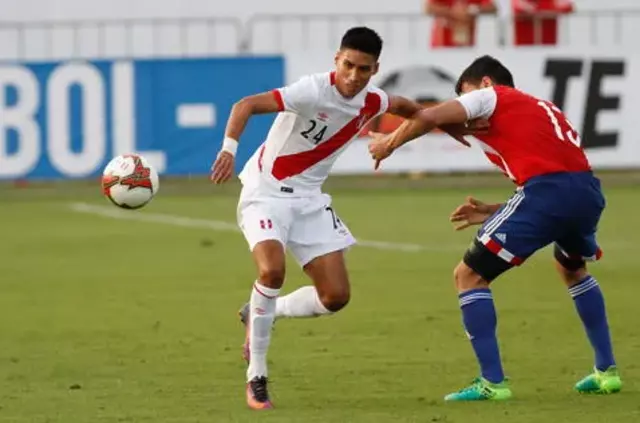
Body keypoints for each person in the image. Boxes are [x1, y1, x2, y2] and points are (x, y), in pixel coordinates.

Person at [210, 26, 470, 410]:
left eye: (363, 69)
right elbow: (244, 105)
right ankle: (257, 375)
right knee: (272, 272)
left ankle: (263, 311)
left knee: (335, 297)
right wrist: (229, 150)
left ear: (374, 69)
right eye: (347, 65)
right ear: (336, 59)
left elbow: (409, 109)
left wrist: (443, 124)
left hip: (309, 201)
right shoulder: (311, 91)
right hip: (265, 194)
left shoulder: (373, 100)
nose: (353, 76)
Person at [368, 55, 622, 401]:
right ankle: (607, 372)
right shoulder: (540, 108)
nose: (464, 108)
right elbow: (560, 182)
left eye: (464, 96)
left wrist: (387, 144)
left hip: (548, 194)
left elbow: (427, 115)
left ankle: (492, 383)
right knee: (572, 268)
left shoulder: (490, 95)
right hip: (587, 193)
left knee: (468, 275)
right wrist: (495, 211)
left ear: (484, 83)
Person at [425, 0, 497, 48]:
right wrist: (452, 11)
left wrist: (473, 9)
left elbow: (493, 8)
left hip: (466, 44)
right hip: (441, 45)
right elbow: (428, 8)